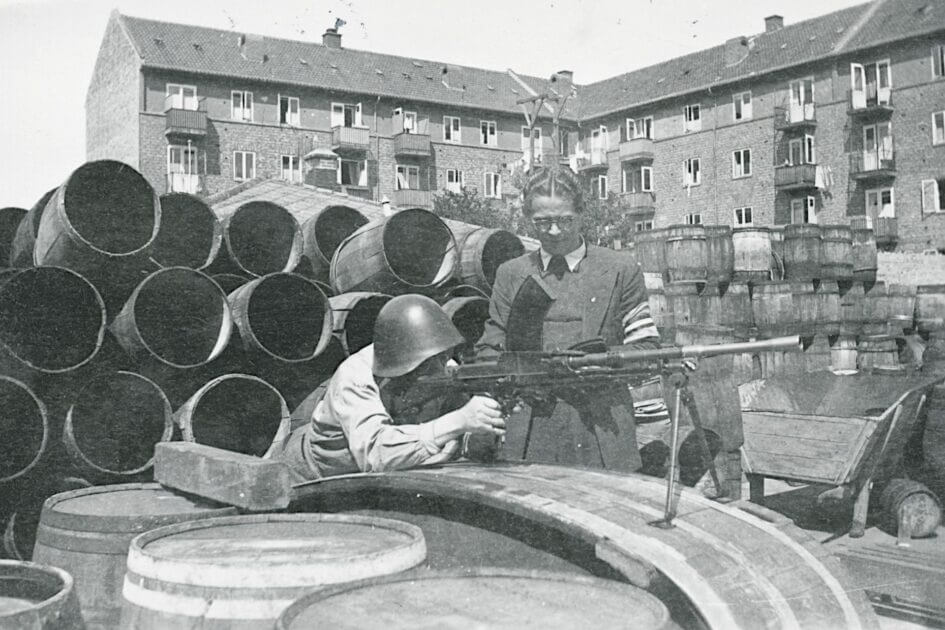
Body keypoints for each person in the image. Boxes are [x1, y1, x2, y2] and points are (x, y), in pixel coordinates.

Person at [476, 165, 660, 472]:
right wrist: (514, 376)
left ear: (582, 213)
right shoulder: (512, 274)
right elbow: (489, 350)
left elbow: (647, 349)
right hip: (529, 430)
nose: (554, 232)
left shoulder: (619, 269)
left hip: (602, 430)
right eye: (542, 222)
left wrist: (605, 361)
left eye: (565, 220)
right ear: (528, 218)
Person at [281, 294, 506, 480]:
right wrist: (458, 421)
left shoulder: (443, 369)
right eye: (430, 362)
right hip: (310, 477)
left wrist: (478, 435)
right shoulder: (356, 377)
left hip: (377, 482)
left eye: (444, 354)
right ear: (406, 362)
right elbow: (375, 454)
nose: (443, 366)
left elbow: (458, 433)